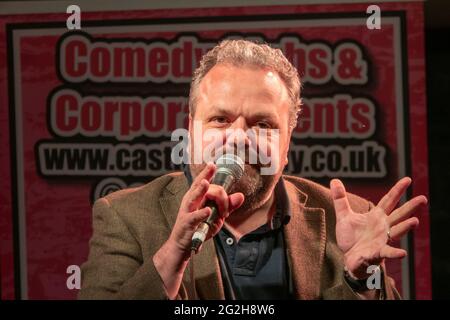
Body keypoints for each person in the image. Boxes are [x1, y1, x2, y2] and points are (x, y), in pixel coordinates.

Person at [78, 39, 427, 300]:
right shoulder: (124, 215)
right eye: (220, 119)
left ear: (288, 141)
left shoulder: (348, 219)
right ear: (191, 128)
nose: (238, 137)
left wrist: (359, 278)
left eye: (262, 124)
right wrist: (174, 254)